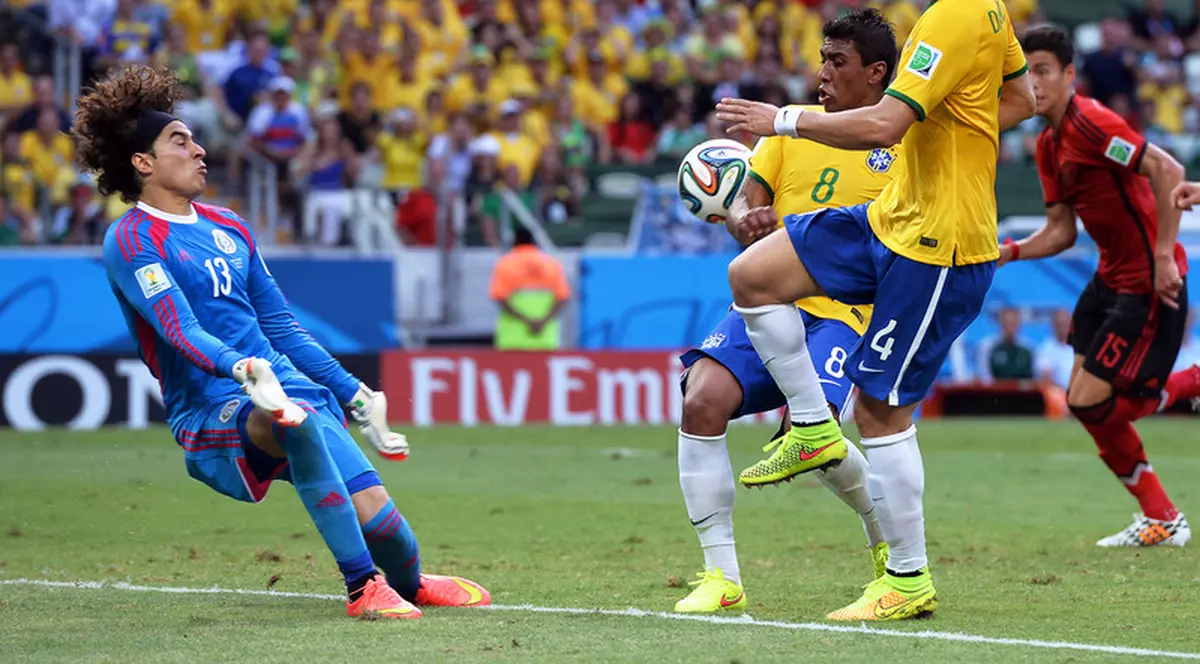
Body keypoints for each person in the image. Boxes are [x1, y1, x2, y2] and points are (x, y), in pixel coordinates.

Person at [77, 64, 490, 620]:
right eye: (180, 140)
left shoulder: (229, 226)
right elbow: (180, 330)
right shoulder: (131, 238)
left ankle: (411, 584)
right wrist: (244, 369)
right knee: (292, 422)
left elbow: (282, 327)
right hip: (213, 407)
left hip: (289, 387)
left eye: (195, 138)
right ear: (143, 163)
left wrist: (354, 393)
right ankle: (361, 587)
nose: (199, 150)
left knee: (385, 525)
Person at [714, 0, 1036, 620]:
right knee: (752, 275)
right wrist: (948, 127)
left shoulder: (953, 17)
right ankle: (812, 427)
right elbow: (1022, 98)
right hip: (891, 219)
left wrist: (781, 120)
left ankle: (907, 578)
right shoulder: (989, 10)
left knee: (879, 411)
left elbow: (886, 125)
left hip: (938, 247)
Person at [673, 8, 897, 616]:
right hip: (768, 303)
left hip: (844, 315)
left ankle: (886, 539)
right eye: (822, 58)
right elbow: (748, 211)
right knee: (701, 399)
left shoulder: (902, 143)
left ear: (876, 73)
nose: (822, 72)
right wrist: (747, 222)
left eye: (837, 61)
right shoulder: (785, 132)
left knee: (811, 436)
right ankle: (721, 577)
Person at [1001, 25, 1198, 547]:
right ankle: (1161, 517)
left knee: (1099, 404)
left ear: (1069, 74)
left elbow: (1167, 169)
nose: (1033, 83)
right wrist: (1009, 253)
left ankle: (1192, 383)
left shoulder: (1091, 123)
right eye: (1025, 73)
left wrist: (1163, 256)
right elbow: (1061, 232)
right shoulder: (1048, 144)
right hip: (1108, 281)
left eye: (1043, 71)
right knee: (1083, 402)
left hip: (1148, 285)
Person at [489, 226, 571, 350]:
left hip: (513, 338)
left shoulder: (505, 263)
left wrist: (527, 321)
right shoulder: (552, 264)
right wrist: (542, 322)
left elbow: (500, 298)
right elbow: (562, 298)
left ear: (515, 241)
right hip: (545, 336)